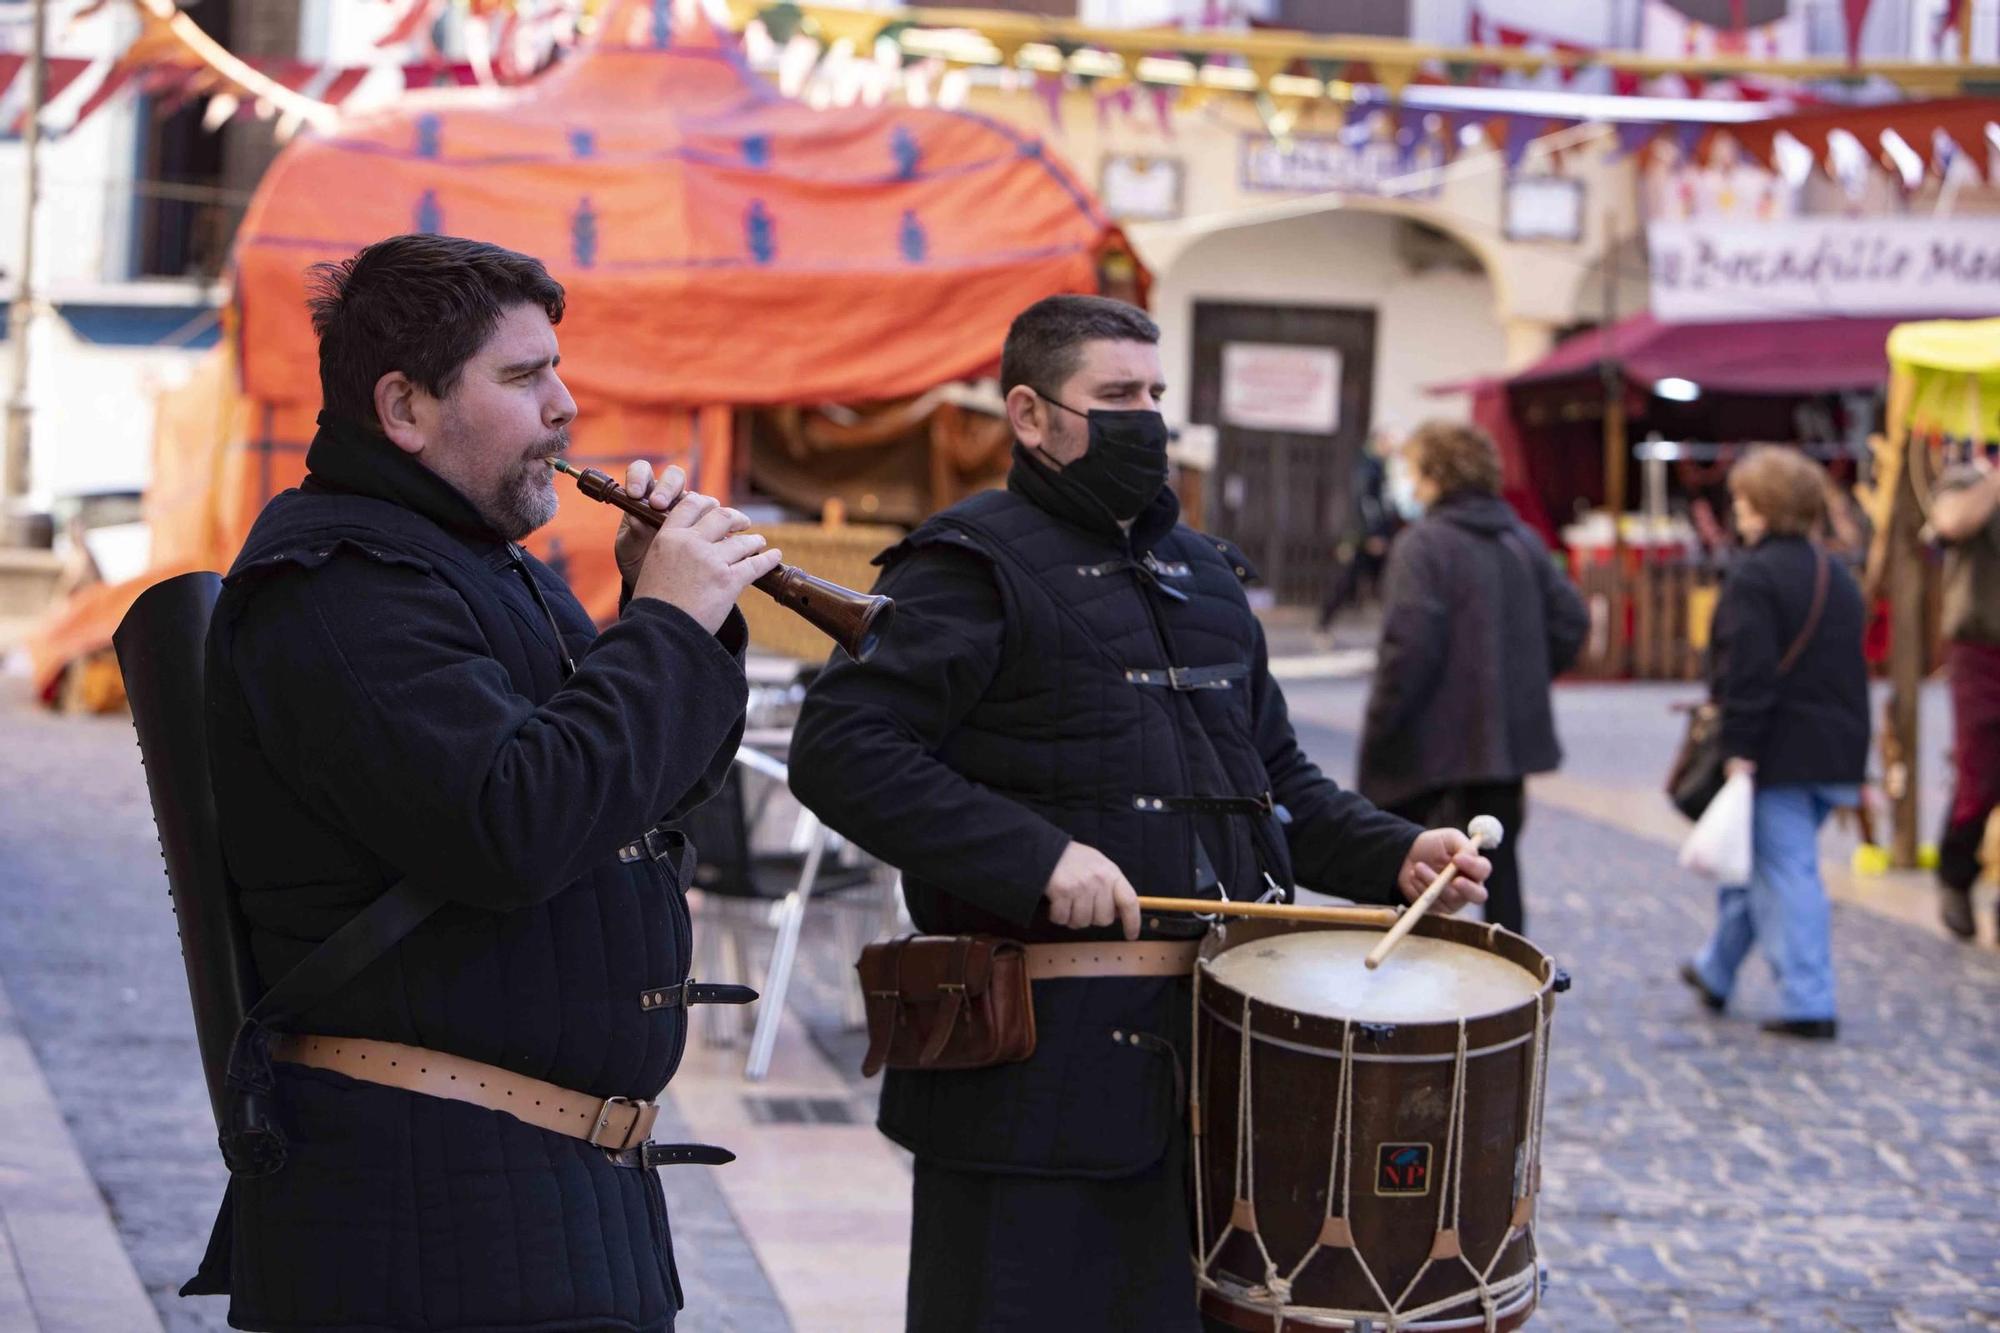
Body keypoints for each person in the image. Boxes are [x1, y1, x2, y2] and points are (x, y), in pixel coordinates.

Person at [787, 295, 1492, 1333]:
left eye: (1156, 394)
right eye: (1116, 395)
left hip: (1219, 1068)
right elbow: (841, 749)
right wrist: (1032, 856)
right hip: (1028, 1079)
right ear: (1028, 415)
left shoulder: (1205, 575)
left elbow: (1275, 780)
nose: (1146, 418)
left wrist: (1391, 853)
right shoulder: (964, 566)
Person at [191, 234, 782, 1331]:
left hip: (551, 1209)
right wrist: (661, 625)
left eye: (556, 369)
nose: (563, 406)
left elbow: (638, 797)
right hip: (421, 1224)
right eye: (521, 377)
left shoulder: (482, 567)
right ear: (405, 407)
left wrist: (694, 627)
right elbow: (513, 826)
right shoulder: (338, 587)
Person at [1355, 420, 1587, 938]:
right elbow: (1570, 621)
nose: (1409, 487)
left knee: (1415, 875)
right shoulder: (1520, 540)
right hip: (1501, 744)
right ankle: (1516, 992)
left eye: (1413, 474)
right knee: (1499, 874)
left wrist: (1381, 729)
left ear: (1435, 476)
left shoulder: (1425, 545)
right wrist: (1523, 679)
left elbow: (1407, 650)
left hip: (1429, 748)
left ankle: (1414, 992)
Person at [1680, 447, 1868, 1040]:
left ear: (1761, 507)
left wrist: (1739, 748)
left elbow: (1747, 672)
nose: (1736, 512)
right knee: (1758, 863)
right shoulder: (1832, 571)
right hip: (1833, 747)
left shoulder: (1754, 575)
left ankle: (1810, 999)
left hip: (1779, 749)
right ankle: (1717, 970)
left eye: (1741, 501)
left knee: (1785, 872)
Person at [1928, 455, 2000, 941]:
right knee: (1981, 771)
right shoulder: (1969, 478)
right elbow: (1950, 521)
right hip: (1981, 647)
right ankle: (1955, 874)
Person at [1315, 429, 1398, 635]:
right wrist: (1373, 534)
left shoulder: (1379, 467)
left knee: (1385, 583)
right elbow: (1366, 503)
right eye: (1387, 442)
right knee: (1349, 581)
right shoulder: (1369, 467)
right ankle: (1323, 623)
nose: (1391, 447)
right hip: (1367, 538)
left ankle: (1393, 628)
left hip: (1375, 536)